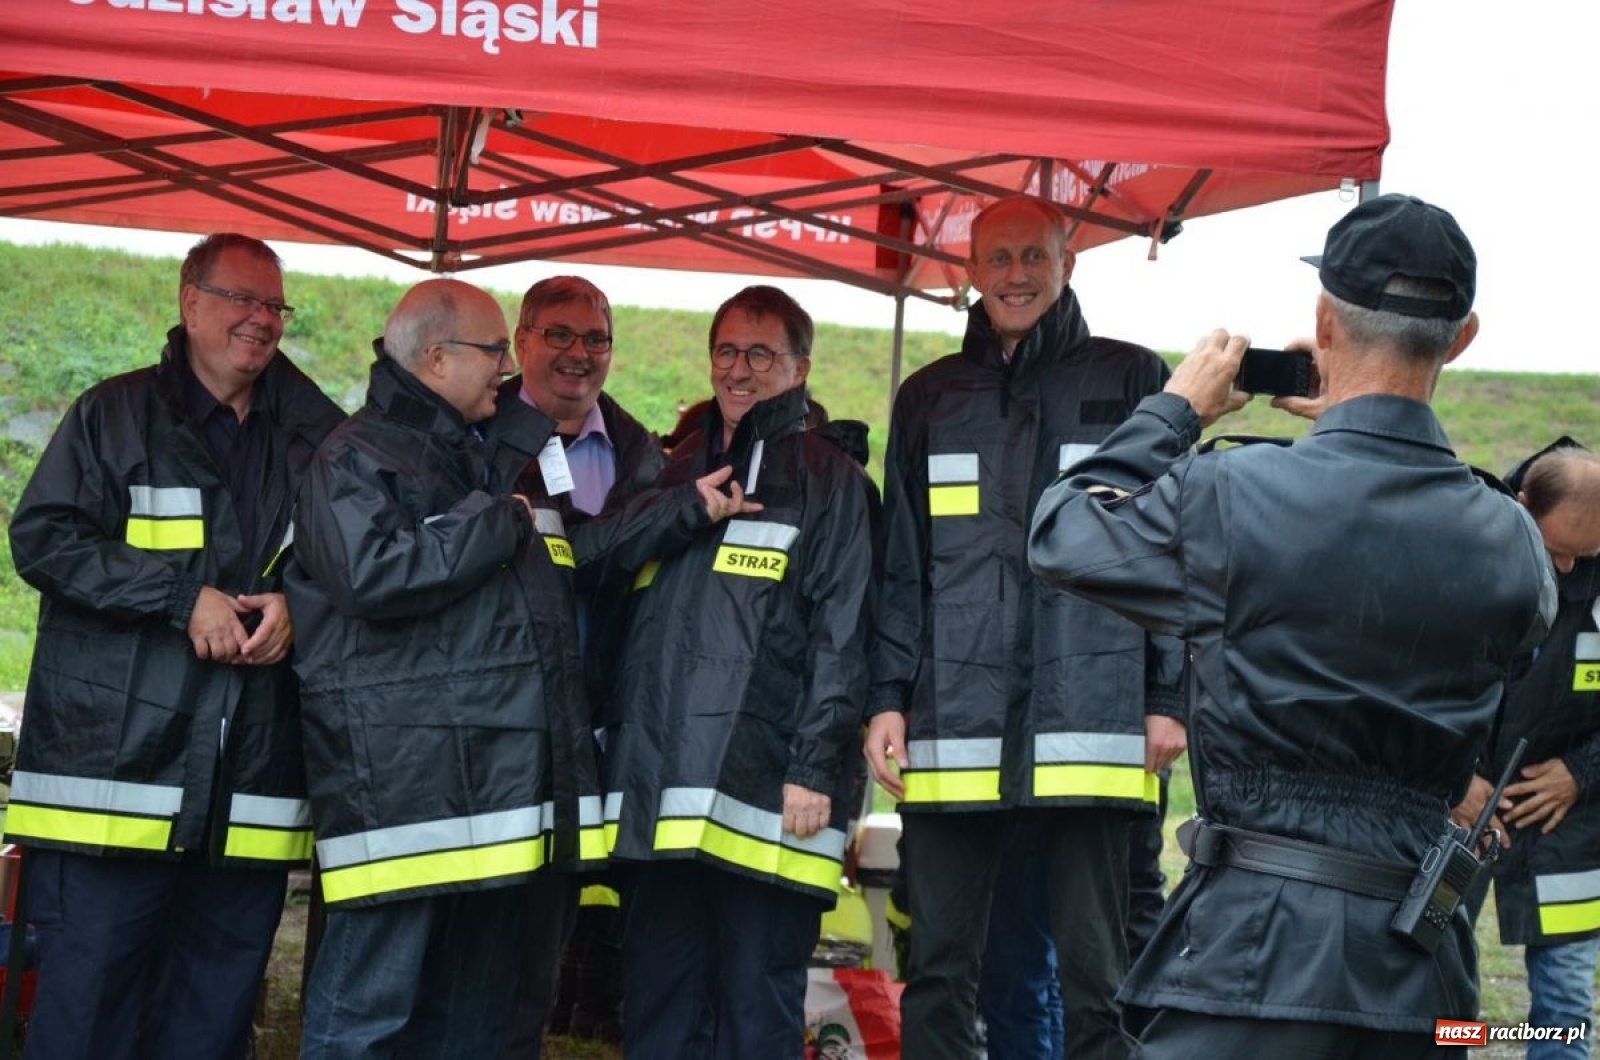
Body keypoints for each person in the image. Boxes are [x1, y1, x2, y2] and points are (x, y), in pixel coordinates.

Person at [1027, 192, 1557, 1058]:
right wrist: (1375, 437)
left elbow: (1062, 532)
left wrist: (1176, 411)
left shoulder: (1231, 494)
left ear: (1324, 319)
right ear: (1462, 338)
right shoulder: (1511, 539)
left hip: (1248, 956)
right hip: (1419, 968)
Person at [863, 195, 1187, 1060]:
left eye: (1032, 257)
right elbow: (904, 564)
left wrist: (1169, 697)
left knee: (1099, 973)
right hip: (955, 721)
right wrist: (887, 698)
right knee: (938, 964)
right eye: (997, 258)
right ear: (970, 271)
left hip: (1097, 718)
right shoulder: (930, 397)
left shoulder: (1133, 380)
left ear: (1067, 264)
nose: (1015, 275)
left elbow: (1176, 555)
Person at [4, 233, 343, 1058]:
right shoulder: (112, 417)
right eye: (241, 299)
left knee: (210, 1019)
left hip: (249, 794)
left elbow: (356, 565)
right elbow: (44, 539)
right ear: (190, 303)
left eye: (274, 305)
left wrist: (304, 604)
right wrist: (175, 596)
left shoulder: (319, 435)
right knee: (87, 1015)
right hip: (115, 787)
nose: (261, 321)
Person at [285, 278, 601, 1058]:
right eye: (494, 350)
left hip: (479, 795)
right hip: (396, 795)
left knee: (464, 1021)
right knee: (365, 1014)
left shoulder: (475, 450)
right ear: (434, 359)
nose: (506, 366)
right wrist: (495, 520)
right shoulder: (353, 457)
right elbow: (372, 575)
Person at [584, 285, 877, 1058]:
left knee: (756, 1010)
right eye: (725, 351)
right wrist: (683, 508)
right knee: (658, 1005)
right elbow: (594, 562)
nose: (738, 370)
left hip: (771, 797)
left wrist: (817, 767)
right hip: (659, 792)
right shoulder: (667, 469)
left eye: (760, 354)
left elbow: (843, 637)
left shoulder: (833, 483)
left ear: (800, 367)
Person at [497, 275, 665, 1058]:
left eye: (595, 339)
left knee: (535, 951)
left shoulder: (643, 456)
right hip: (490, 733)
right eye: (559, 335)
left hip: (585, 739)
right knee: (466, 950)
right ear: (521, 339)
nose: (577, 354)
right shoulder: (476, 434)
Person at [1458, 440, 1600, 1060]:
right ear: (1520, 509)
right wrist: (1455, 777)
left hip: (1569, 818)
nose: (1569, 570)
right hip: (1457, 813)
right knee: (1432, 989)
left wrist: (1579, 772)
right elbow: (1404, 683)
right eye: (1556, 551)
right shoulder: (1458, 551)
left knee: (1565, 1005)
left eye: (1585, 555)